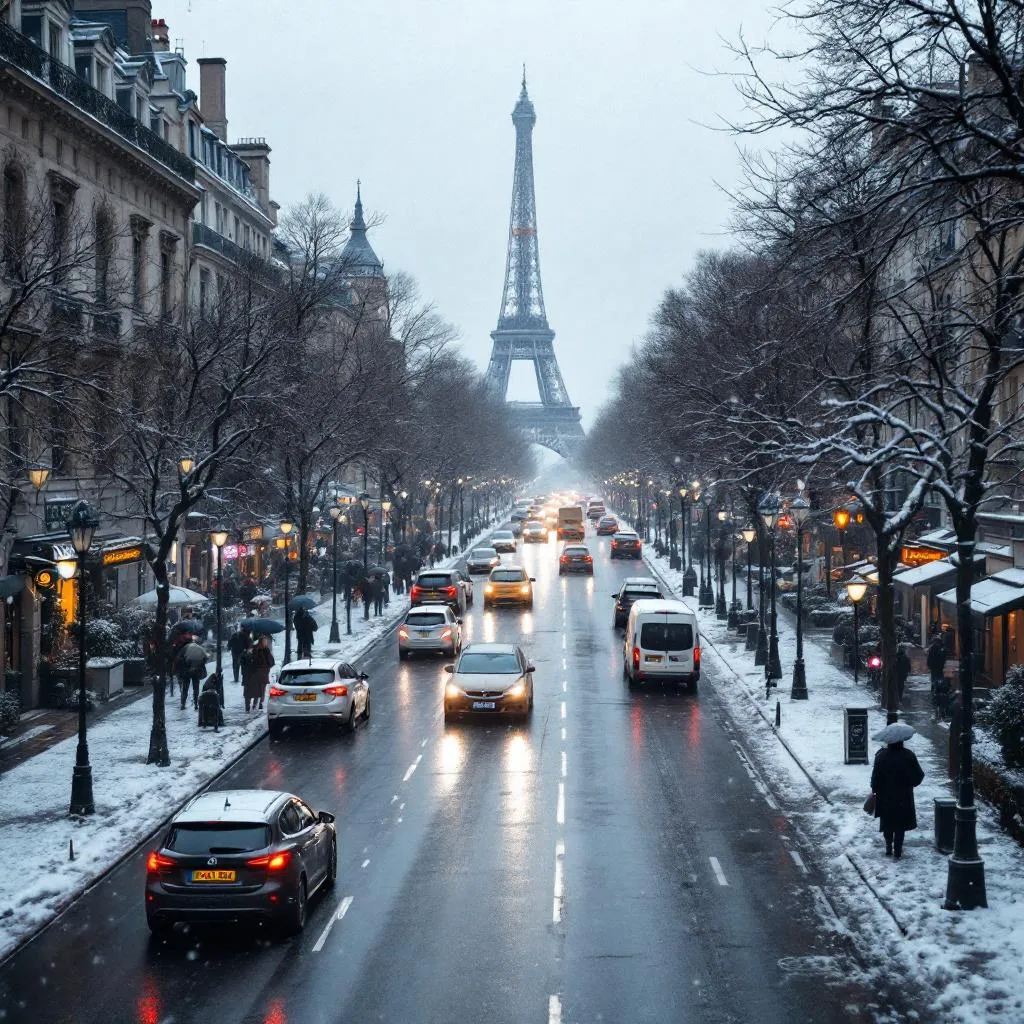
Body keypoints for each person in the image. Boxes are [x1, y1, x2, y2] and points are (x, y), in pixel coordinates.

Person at [870, 738, 925, 859]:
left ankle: (888, 845)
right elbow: (919, 775)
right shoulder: (908, 755)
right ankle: (898, 850)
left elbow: (875, 778)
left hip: (885, 796)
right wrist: (911, 783)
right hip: (903, 796)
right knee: (900, 825)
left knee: (887, 822)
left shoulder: (881, 756)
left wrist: (875, 789)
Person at [243, 635, 274, 712]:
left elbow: (271, 661)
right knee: (251, 691)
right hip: (253, 674)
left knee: (261, 690)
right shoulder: (254, 650)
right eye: (264, 641)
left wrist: (266, 667)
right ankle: (249, 705)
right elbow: (246, 662)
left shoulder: (266, 650)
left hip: (263, 673)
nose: (265, 643)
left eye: (266, 641)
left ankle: (259, 704)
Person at [178, 637, 207, 711]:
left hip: (187, 670)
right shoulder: (200, 648)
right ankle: (196, 704)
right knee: (196, 688)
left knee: (185, 688)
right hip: (197, 671)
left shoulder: (185, 647)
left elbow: (179, 657)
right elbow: (206, 658)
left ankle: (182, 704)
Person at [927, 636, 947, 701]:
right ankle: (938, 690)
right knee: (939, 678)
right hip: (938, 667)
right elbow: (943, 657)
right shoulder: (941, 648)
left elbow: (930, 658)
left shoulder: (933, 648)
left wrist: (930, 665)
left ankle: (935, 691)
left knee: (935, 678)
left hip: (935, 667)